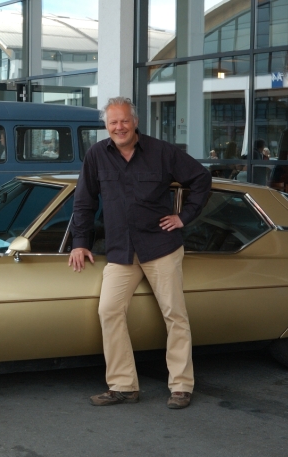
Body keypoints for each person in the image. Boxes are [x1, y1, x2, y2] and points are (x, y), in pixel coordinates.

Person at [69, 96, 211, 410]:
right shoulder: (96, 155)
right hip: (121, 250)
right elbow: (84, 201)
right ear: (106, 126)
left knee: (175, 315)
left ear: (135, 122)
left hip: (160, 247)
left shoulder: (162, 152)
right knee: (109, 311)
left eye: (124, 121)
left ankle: (181, 386)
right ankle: (123, 386)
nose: (119, 127)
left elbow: (201, 178)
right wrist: (80, 242)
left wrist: (184, 217)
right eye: (113, 122)